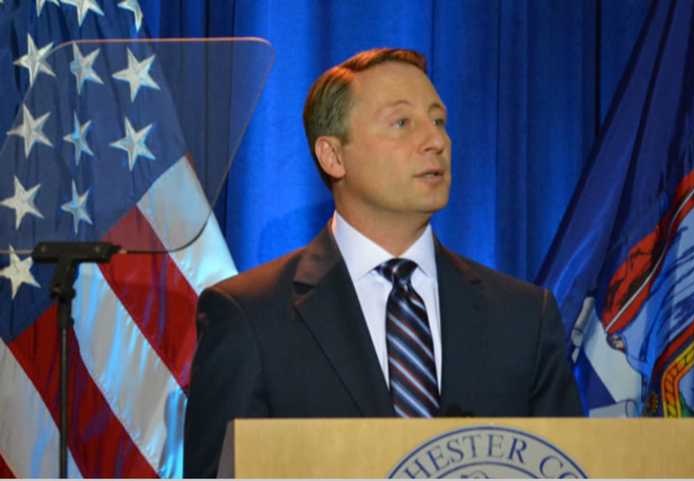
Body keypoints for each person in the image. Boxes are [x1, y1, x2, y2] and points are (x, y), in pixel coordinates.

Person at [183, 48, 582, 478]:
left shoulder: (524, 316)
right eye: (402, 123)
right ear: (333, 156)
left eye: (439, 121)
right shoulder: (250, 316)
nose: (436, 141)